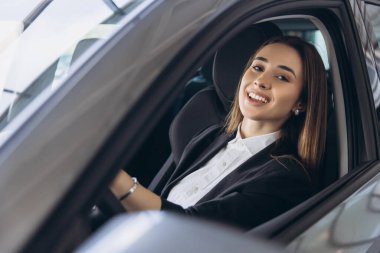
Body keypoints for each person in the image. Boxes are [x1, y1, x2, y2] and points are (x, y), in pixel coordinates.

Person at [110, 35, 327, 230]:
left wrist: (115, 180)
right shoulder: (209, 137)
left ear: (301, 103)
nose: (261, 81)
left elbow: (190, 229)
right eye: (258, 68)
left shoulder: (286, 179)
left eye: (282, 77)